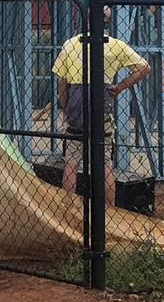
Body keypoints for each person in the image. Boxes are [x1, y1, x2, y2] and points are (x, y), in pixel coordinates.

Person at [51, 11, 150, 206]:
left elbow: (62, 84)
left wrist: (66, 108)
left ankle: (68, 209)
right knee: (105, 164)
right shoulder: (115, 45)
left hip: (77, 102)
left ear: (85, 20)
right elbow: (144, 67)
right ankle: (109, 212)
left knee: (71, 162)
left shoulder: (70, 44)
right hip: (102, 99)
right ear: (107, 22)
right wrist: (120, 87)